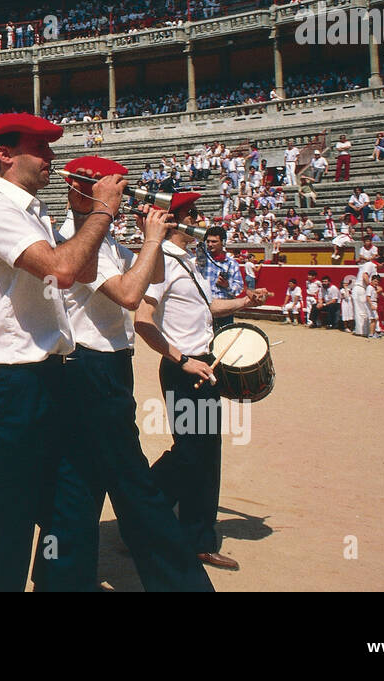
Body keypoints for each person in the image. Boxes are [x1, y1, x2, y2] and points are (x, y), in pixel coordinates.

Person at [33, 155, 210, 592]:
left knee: (78, 484)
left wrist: (161, 235)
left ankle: (59, 578)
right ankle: (182, 584)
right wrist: (151, 238)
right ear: (87, 189)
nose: (120, 193)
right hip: (92, 370)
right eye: (113, 187)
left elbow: (158, 274)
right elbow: (130, 296)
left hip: (104, 369)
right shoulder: (79, 240)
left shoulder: (108, 242)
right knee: (137, 489)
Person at [0, 113, 125, 591]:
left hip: (46, 379)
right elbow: (63, 269)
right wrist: (103, 213)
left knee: (71, 508)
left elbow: (80, 264)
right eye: (40, 147)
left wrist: (85, 213)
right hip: (12, 384)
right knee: (8, 527)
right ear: (5, 155)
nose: (52, 156)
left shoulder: (34, 212)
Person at [135, 196, 269, 571]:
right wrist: (182, 359)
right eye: (192, 215)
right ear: (173, 221)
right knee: (192, 453)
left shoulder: (187, 261)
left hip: (203, 365)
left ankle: (193, 537)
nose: (200, 219)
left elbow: (207, 309)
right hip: (184, 369)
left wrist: (244, 301)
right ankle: (142, 512)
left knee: (204, 455)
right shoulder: (160, 259)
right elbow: (142, 319)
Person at [198, 226, 243, 327]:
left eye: (214, 242)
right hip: (203, 310)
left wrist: (227, 285)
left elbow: (239, 289)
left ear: (223, 242)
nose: (210, 244)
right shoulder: (201, 260)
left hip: (224, 311)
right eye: (208, 241)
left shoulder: (232, 263)